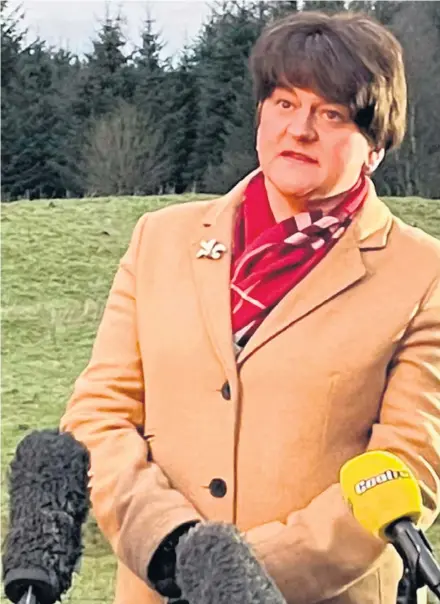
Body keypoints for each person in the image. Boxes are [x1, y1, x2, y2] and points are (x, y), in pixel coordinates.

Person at [60, 9, 440, 604]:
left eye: (331, 113)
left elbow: (407, 464)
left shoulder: (424, 274)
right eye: (284, 103)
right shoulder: (160, 239)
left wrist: (241, 577)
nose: (300, 129)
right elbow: (99, 414)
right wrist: (170, 549)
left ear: (376, 145)